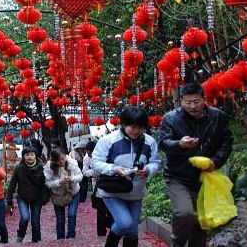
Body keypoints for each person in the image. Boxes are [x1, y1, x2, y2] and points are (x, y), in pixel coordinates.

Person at [159, 83, 233, 247]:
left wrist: (215, 162)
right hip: (178, 176)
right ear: (181, 101)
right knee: (185, 212)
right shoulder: (171, 118)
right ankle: (177, 243)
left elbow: (227, 142)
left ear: (204, 100)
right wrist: (180, 144)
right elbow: (163, 143)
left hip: (206, 175)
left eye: (196, 102)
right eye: (188, 102)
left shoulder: (218, 116)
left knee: (201, 222)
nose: (192, 106)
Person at [92, 106, 161, 247]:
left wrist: (147, 169)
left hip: (136, 192)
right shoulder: (108, 141)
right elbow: (95, 162)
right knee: (125, 223)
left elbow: (156, 163)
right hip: (112, 191)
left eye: (140, 127)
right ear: (123, 124)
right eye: (133, 127)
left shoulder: (149, 142)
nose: (136, 131)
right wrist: (114, 168)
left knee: (132, 231)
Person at [6, 146, 45, 243]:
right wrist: (9, 197)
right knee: (25, 217)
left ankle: (36, 240)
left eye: (32, 154)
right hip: (22, 197)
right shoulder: (19, 168)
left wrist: (45, 197)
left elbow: (45, 184)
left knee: (35, 221)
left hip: (37, 197)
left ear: (36, 156)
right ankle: (20, 235)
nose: (30, 157)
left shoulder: (42, 168)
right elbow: (12, 183)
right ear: (23, 156)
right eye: (27, 155)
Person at [44, 148, 83, 240]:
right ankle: (60, 238)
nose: (62, 161)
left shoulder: (72, 163)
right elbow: (48, 183)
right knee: (60, 219)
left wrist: (72, 179)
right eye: (59, 160)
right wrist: (59, 182)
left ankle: (71, 236)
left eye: (63, 158)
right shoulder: (49, 167)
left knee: (72, 214)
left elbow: (80, 176)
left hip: (73, 192)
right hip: (58, 195)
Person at [83, 140, 113, 236]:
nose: (90, 155)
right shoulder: (87, 158)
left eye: (90, 153)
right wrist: (95, 172)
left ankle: (112, 227)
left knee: (110, 210)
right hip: (98, 185)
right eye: (88, 153)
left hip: (109, 185)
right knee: (100, 211)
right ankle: (101, 232)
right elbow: (85, 171)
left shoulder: (105, 155)